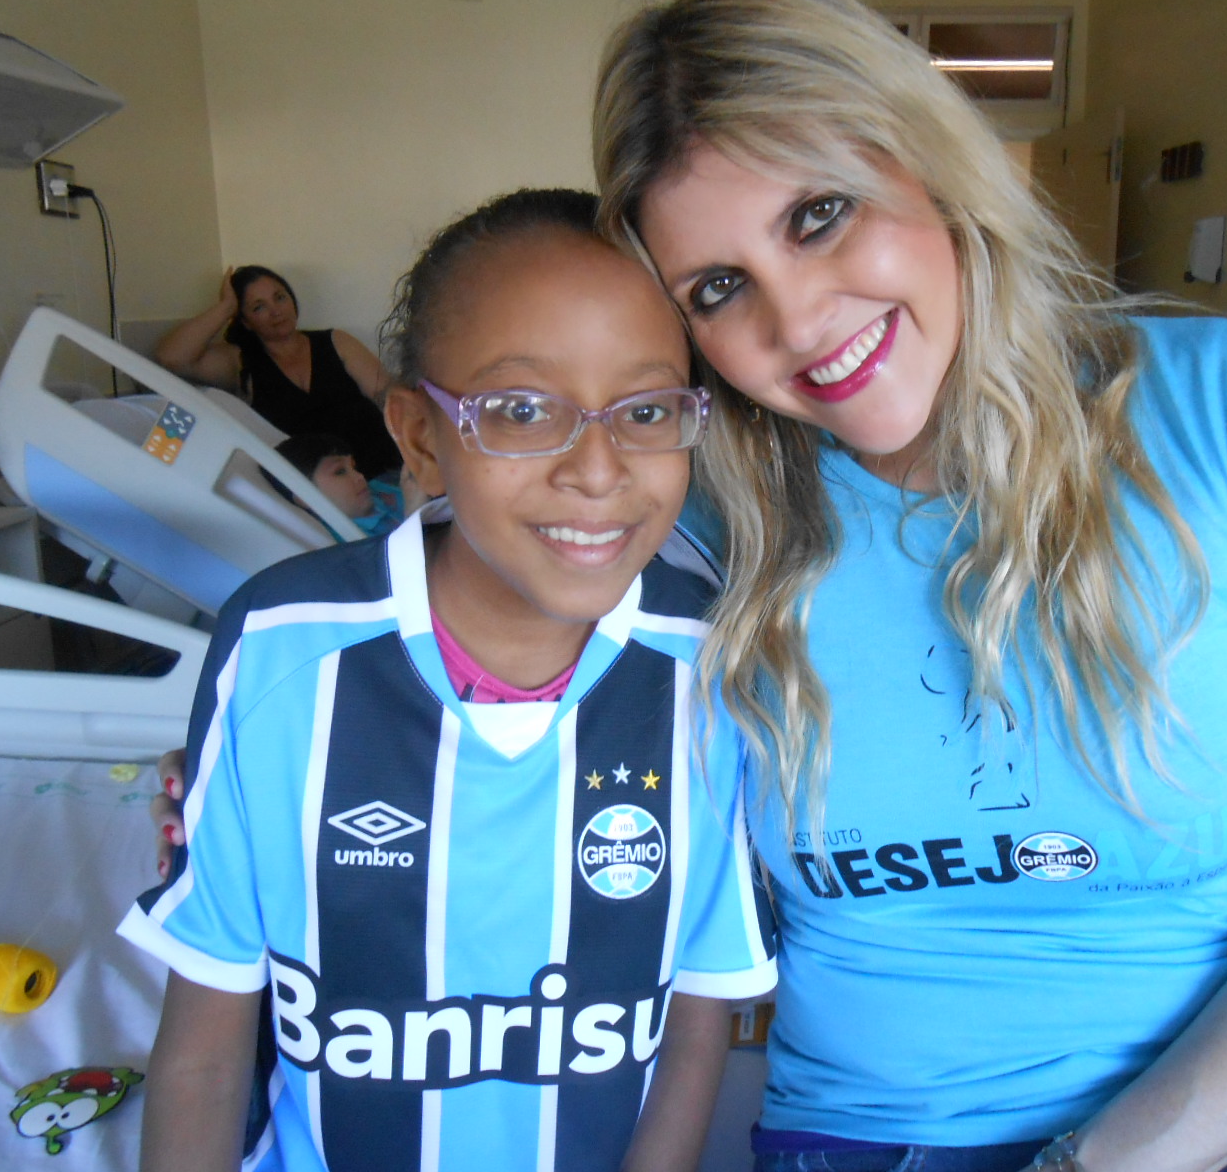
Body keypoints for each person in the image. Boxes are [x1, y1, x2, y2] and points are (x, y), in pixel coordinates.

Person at [585, 0, 1227, 1170]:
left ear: (930, 166)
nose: (795, 322)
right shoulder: (706, 515)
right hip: (878, 1137)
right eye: (719, 290)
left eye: (820, 214)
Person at [123, 189, 776, 1172]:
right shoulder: (282, 650)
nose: (598, 470)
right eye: (520, 411)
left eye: (646, 411)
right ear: (419, 437)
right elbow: (206, 1058)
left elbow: (695, 1015)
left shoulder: (710, 670)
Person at [156, 265, 401, 478]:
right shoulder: (240, 362)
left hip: (383, 469)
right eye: (258, 307)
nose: (276, 311)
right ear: (245, 321)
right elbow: (172, 357)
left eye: (280, 297)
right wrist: (226, 307)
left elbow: (387, 396)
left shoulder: (336, 341)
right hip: (315, 493)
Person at [268, 432, 412, 537]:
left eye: (353, 467)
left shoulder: (379, 488)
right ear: (304, 495)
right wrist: (414, 508)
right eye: (340, 472)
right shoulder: (347, 539)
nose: (360, 476)